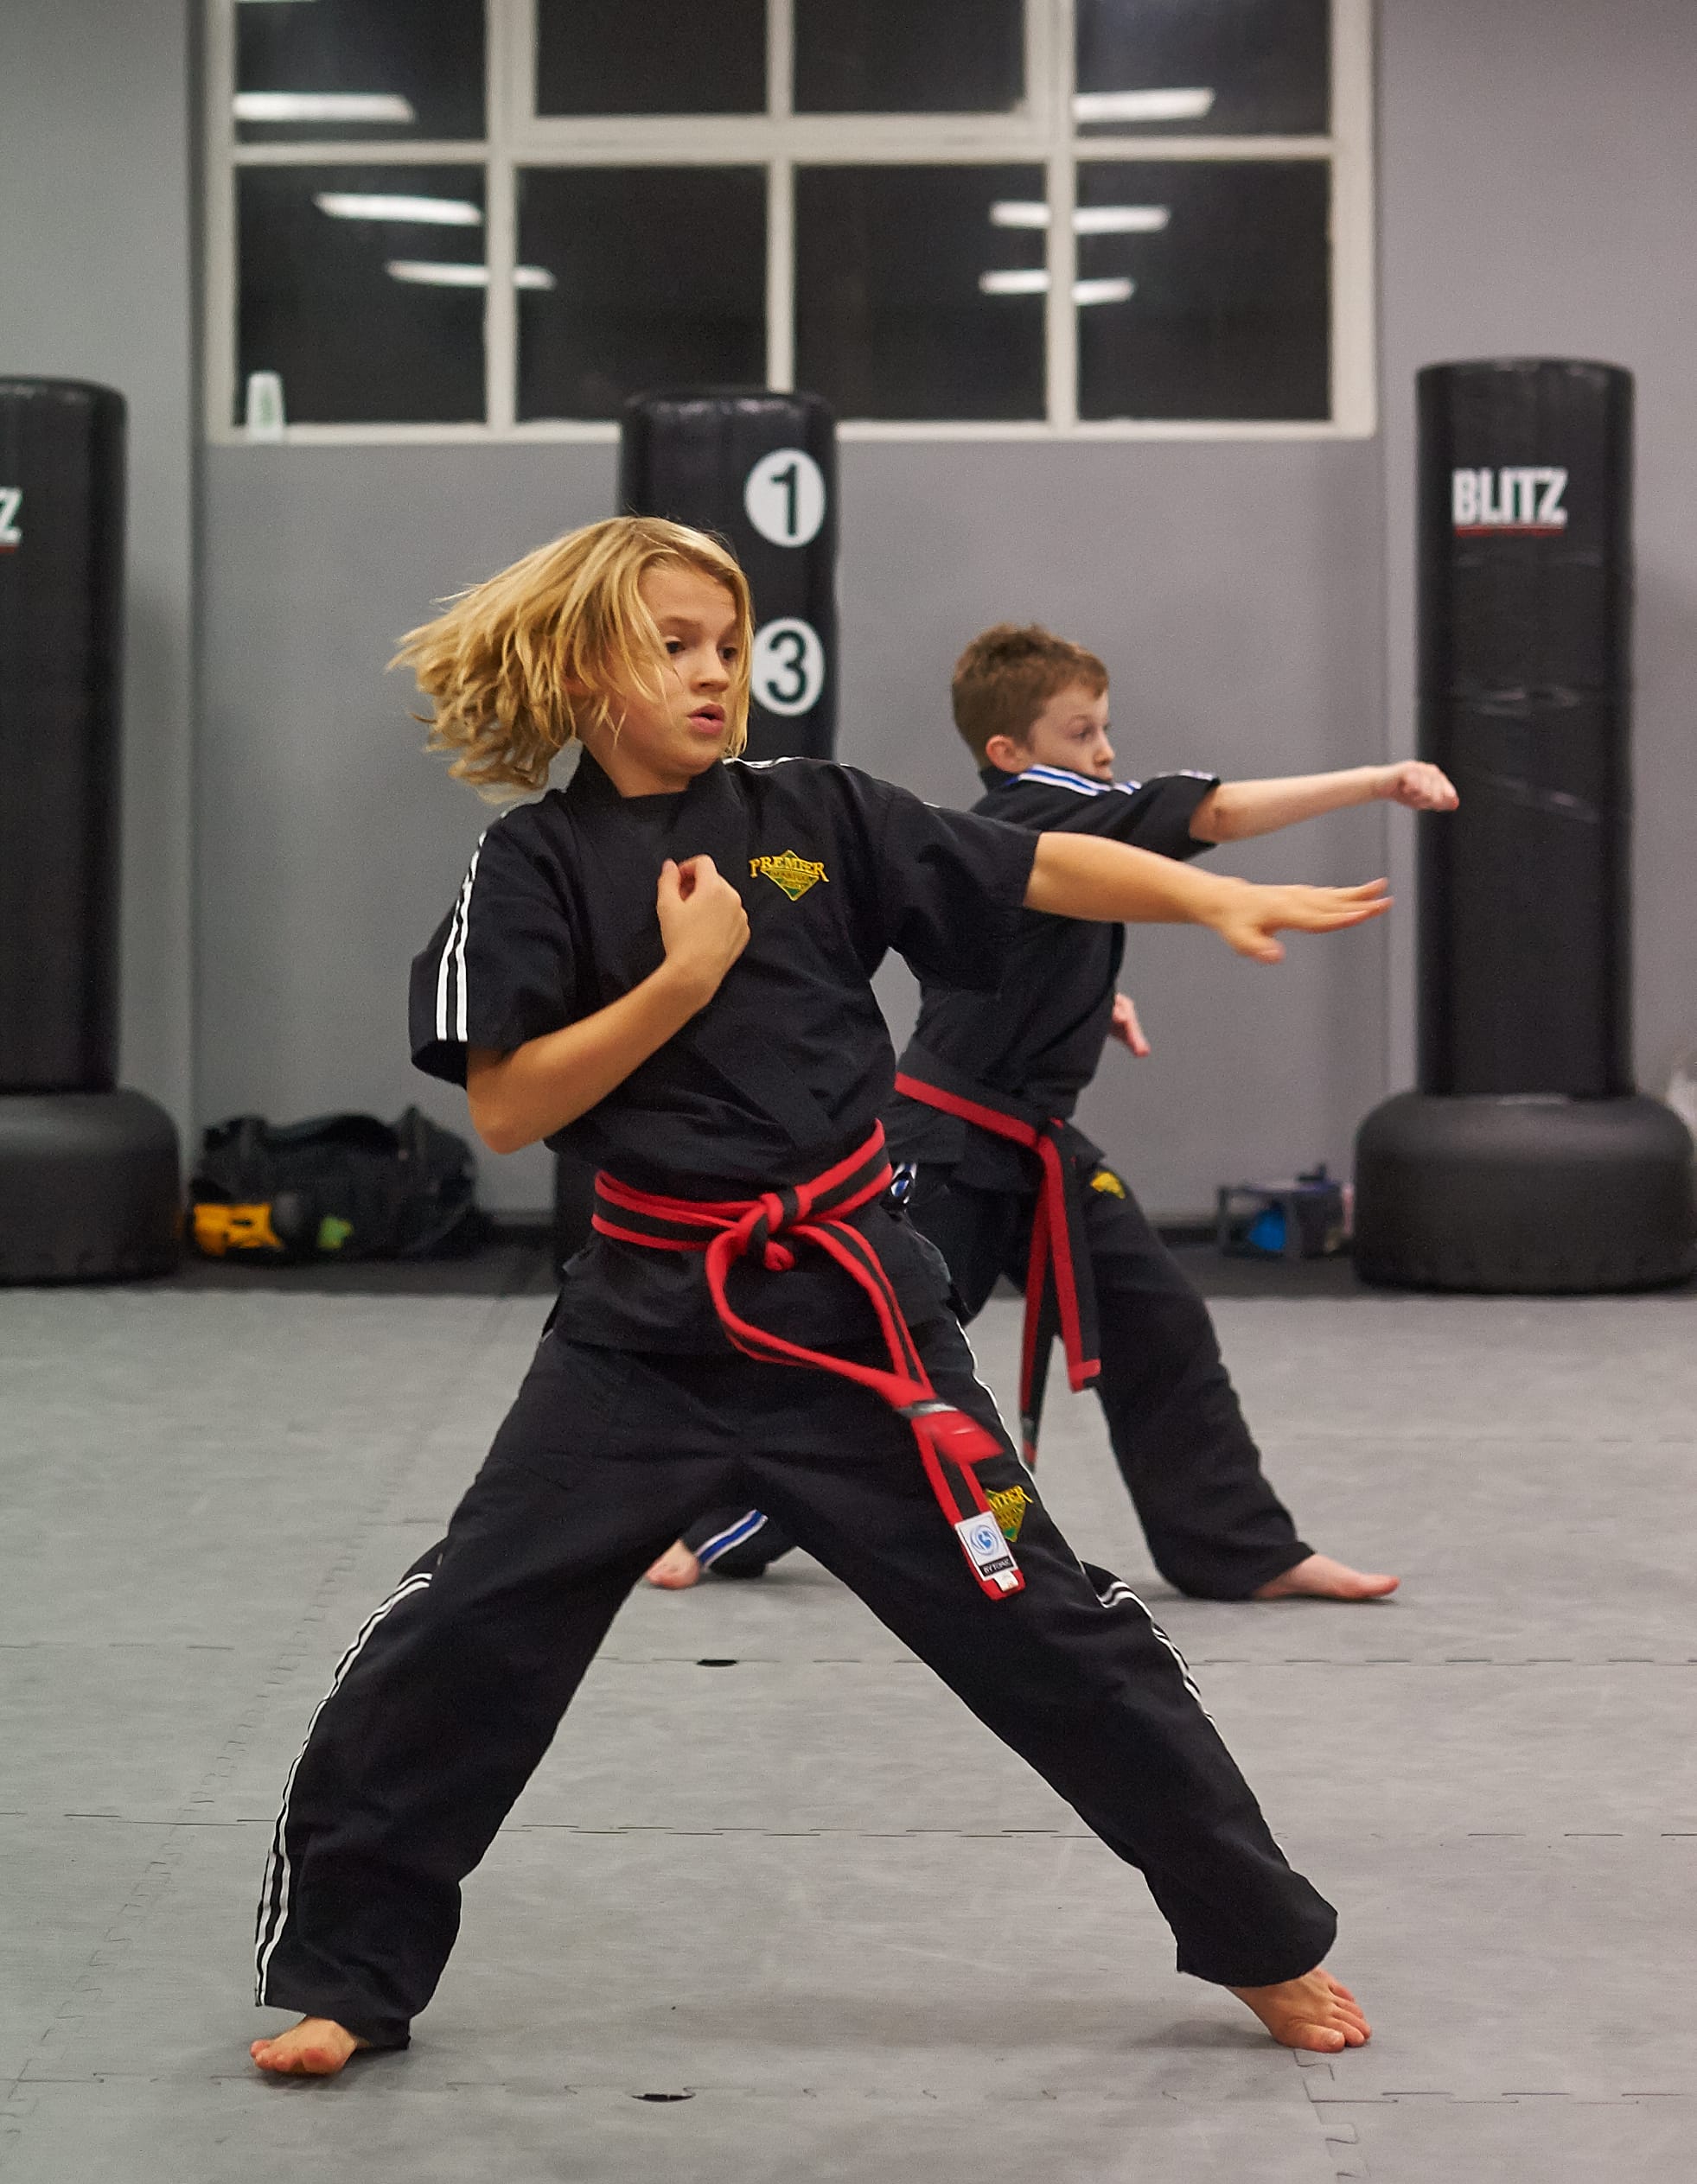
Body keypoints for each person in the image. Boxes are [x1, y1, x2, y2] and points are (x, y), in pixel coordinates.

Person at [250, 520, 1384, 2079]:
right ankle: (351, 1977)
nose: (714, 671)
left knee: (1051, 1630)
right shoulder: (534, 862)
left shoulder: (816, 814)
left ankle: (1258, 1939)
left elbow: (1034, 863)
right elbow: (506, 1107)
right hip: (639, 1339)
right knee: (459, 1636)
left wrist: (1208, 905)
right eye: (672, 645)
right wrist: (679, 979)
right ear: (580, 671)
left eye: (727, 642)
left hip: (860, 1330)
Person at [647, 622, 1457, 1604]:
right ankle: (707, 1519)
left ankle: (1238, 1547)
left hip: (1033, 1144)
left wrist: (1084, 1004)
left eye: (1105, 729)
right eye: (1081, 732)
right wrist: (1375, 779)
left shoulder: (1020, 836)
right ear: (1010, 750)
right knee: (868, 1341)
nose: (1104, 752)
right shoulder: (1043, 806)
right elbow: (1217, 811)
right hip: (947, 1147)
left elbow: (988, 962)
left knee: (1156, 1319)